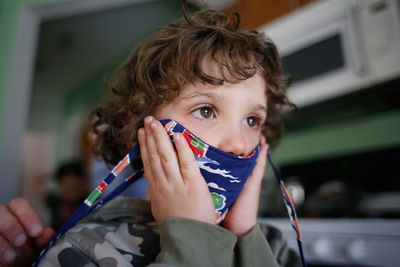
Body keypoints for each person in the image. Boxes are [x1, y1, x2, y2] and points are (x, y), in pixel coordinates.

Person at [0, 3, 299, 266]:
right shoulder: (85, 250)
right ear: (140, 131)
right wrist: (194, 239)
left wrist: (244, 233)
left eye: (251, 119)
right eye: (206, 110)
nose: (238, 144)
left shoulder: (272, 246)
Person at [45, 161, 89, 231]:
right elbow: (31, 179)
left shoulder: (90, 203)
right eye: (66, 186)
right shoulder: (55, 202)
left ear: (83, 184)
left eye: (74, 187)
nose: (70, 191)